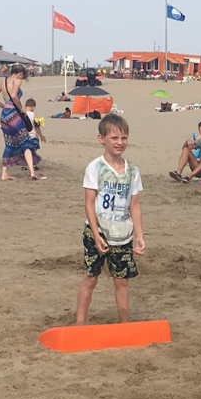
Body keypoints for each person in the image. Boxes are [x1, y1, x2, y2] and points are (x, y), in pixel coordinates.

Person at [76, 115, 145, 325]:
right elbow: (89, 204)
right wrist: (96, 235)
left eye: (124, 137)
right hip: (98, 233)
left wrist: (139, 235)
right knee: (90, 278)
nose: (120, 142)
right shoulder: (95, 168)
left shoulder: (132, 171)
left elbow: (134, 205)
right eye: (114, 137)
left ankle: (124, 324)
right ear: (101, 138)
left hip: (123, 235)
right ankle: (79, 324)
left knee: (121, 281)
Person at [0, 64, 42, 180]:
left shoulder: (3, 81)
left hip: (4, 114)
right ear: (20, 73)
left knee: (9, 143)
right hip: (14, 114)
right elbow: (14, 96)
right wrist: (21, 109)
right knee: (26, 141)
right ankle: (32, 172)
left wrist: (4, 106)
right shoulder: (17, 81)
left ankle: (4, 173)